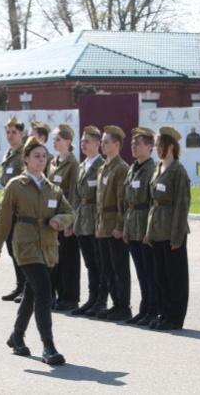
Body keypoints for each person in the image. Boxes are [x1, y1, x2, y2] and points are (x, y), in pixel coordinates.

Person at [0, 136, 74, 365]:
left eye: (44, 156)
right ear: (26, 159)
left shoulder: (52, 188)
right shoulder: (16, 186)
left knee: (32, 292)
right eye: (36, 156)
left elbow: (69, 213)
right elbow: (3, 219)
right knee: (44, 291)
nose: (41, 159)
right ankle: (48, 346)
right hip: (26, 246)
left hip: (48, 247)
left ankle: (16, 336)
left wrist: (58, 220)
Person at [145, 126, 191, 331]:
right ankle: (164, 313)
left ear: (171, 147)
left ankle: (175, 317)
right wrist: (149, 232)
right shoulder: (158, 168)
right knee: (161, 276)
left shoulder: (178, 171)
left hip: (172, 230)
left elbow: (182, 205)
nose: (156, 149)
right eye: (156, 146)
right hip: (158, 229)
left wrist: (177, 236)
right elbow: (152, 203)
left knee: (176, 277)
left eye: (159, 146)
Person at [95, 125, 132, 321]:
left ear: (116, 145)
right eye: (102, 141)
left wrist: (119, 226)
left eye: (106, 142)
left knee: (119, 269)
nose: (102, 145)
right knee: (107, 269)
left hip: (114, 225)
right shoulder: (103, 167)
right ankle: (115, 303)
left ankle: (123, 306)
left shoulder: (121, 168)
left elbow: (122, 201)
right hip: (103, 225)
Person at [71, 126, 108, 317]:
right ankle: (92, 299)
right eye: (82, 141)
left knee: (100, 263)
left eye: (87, 141)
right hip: (82, 219)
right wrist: (73, 219)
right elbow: (76, 197)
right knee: (90, 264)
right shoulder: (81, 166)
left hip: (95, 218)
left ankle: (101, 301)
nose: (83, 144)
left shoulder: (102, 166)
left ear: (97, 144)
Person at [123, 127, 158, 326]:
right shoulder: (133, 168)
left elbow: (153, 202)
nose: (133, 147)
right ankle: (144, 309)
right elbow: (127, 200)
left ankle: (153, 310)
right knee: (140, 272)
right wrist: (126, 228)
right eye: (132, 143)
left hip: (145, 223)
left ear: (149, 146)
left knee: (150, 272)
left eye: (138, 144)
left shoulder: (152, 169)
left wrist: (149, 231)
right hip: (132, 224)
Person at [48, 124, 81, 311]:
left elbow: (74, 195)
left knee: (69, 260)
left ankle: (70, 297)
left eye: (58, 139)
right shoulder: (53, 163)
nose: (54, 142)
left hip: (65, 217)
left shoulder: (73, 164)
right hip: (53, 217)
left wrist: (70, 222)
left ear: (68, 141)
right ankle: (59, 295)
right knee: (56, 259)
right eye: (53, 139)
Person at [0, 117, 27, 303]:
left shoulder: (25, 154)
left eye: (14, 132)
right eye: (8, 132)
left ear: (22, 133)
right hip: (8, 208)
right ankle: (20, 285)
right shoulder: (8, 154)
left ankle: (27, 287)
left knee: (21, 249)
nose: (10, 135)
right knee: (11, 248)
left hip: (21, 208)